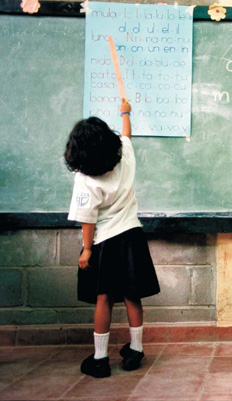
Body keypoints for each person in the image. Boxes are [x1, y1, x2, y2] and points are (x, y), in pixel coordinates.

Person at [64, 99, 160, 378]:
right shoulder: (125, 156)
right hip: (132, 236)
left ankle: (100, 358)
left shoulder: (84, 178)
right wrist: (125, 113)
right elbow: (126, 134)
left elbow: (87, 218)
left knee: (103, 298)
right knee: (132, 295)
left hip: (104, 242)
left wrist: (86, 250)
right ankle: (136, 350)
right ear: (108, 141)